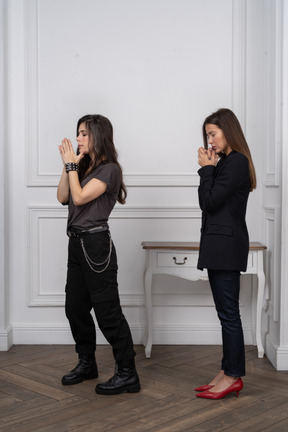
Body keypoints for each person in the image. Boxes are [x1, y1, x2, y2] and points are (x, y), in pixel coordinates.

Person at [57, 114, 140, 395]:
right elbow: (63, 196)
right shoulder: (82, 167)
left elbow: (79, 198)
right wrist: (70, 166)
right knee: (75, 307)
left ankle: (128, 372)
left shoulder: (109, 170)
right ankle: (87, 363)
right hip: (76, 244)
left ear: (97, 135)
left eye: (83, 134)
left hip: (95, 246)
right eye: (77, 133)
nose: (77, 139)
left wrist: (72, 164)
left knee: (107, 311)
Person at [195, 108, 256, 400]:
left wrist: (206, 169)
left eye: (213, 134)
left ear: (228, 131)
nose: (210, 141)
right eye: (207, 135)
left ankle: (233, 376)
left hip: (226, 247)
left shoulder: (237, 163)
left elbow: (211, 201)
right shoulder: (225, 163)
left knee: (230, 315)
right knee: (225, 314)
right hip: (219, 245)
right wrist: (209, 169)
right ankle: (226, 370)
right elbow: (205, 201)